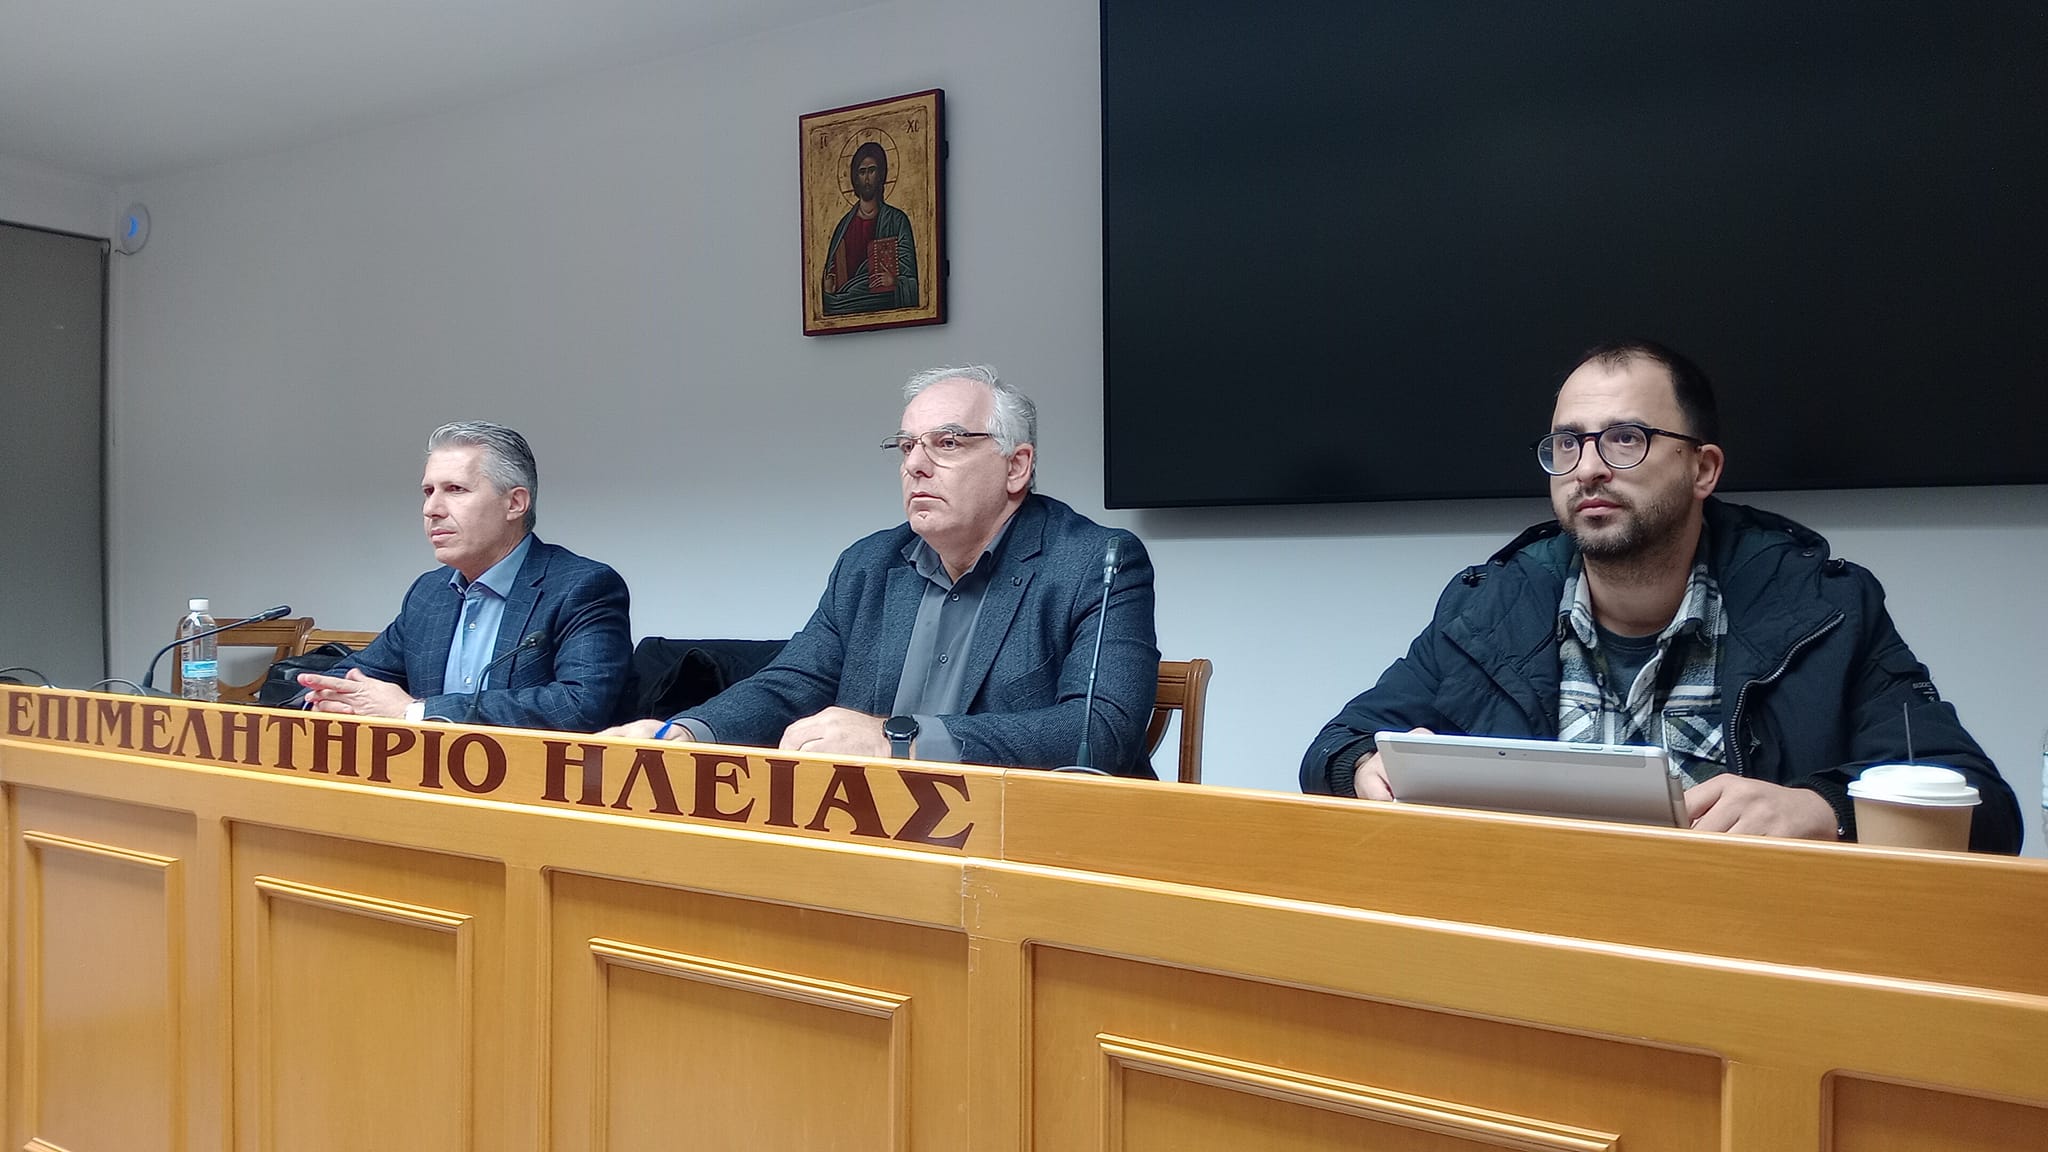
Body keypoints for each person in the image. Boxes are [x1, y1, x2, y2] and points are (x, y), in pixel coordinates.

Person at [1301, 341, 2021, 852]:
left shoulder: (1823, 611)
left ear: (1703, 469)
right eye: (1568, 444)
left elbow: (1981, 807)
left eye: (1625, 439)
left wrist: (1823, 810)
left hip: (1745, 959)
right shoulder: (1490, 608)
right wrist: (1364, 768)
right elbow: (1334, 747)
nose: (1588, 469)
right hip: (1533, 953)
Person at [605, 365, 1160, 775]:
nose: (915, 464)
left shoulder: (1098, 563)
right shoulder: (868, 565)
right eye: (906, 446)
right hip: (880, 832)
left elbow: (1098, 732)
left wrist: (898, 740)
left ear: (1016, 466)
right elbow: (792, 682)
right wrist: (686, 732)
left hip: (1033, 842)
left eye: (947, 443)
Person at [296, 421, 633, 731]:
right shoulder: (430, 593)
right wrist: (327, 697)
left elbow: (578, 706)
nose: (431, 509)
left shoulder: (582, 587)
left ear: (515, 503)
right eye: (428, 491)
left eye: (455, 489)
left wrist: (416, 712)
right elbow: (354, 675)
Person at [821, 141, 920, 315]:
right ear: (855, 178)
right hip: (845, 304)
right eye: (862, 172)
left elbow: (911, 278)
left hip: (883, 300)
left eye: (872, 170)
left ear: (881, 174)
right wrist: (829, 288)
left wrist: (895, 282)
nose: (867, 178)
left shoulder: (897, 220)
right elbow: (832, 275)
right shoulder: (843, 227)